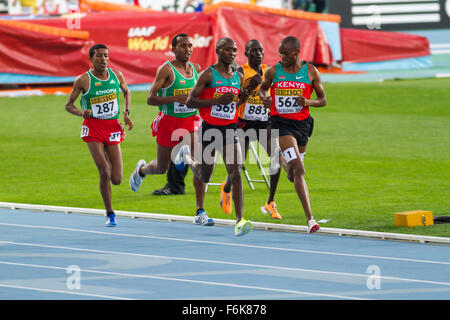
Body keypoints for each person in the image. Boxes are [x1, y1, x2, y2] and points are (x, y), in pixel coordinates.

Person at [128, 33, 213, 226]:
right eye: (183, 46)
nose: (188, 49)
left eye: (190, 46)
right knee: (161, 168)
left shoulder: (196, 69)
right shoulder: (166, 70)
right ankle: (141, 170)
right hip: (168, 121)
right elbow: (150, 98)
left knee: (199, 164)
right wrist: (174, 99)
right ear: (174, 49)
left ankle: (200, 211)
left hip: (190, 121)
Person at [182, 37, 253, 236]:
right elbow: (190, 102)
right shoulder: (208, 75)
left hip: (229, 129)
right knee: (205, 175)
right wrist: (216, 101)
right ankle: (187, 157)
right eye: (228, 50)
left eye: (235, 50)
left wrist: (244, 95)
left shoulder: (237, 76)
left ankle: (240, 220)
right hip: (210, 129)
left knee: (235, 171)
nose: (232, 53)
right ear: (219, 51)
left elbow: (235, 102)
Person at [259, 36, 326, 233]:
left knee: (293, 173)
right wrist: (265, 99)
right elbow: (263, 89)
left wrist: (307, 102)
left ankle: (281, 159)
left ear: (296, 52)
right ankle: (310, 219)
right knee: (299, 168)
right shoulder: (273, 71)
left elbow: (322, 100)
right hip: (281, 124)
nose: (282, 57)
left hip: (303, 125)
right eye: (280, 53)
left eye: (285, 53)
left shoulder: (311, 71)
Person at [65, 44, 133, 227]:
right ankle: (110, 213)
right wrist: (81, 113)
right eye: (99, 56)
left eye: (106, 56)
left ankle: (109, 167)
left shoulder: (116, 76)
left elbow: (126, 91)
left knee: (117, 179)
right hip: (93, 128)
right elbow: (68, 105)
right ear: (91, 59)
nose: (103, 59)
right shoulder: (83, 80)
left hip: (111, 126)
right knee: (104, 170)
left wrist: (126, 112)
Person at [219, 39, 283, 220]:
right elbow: (235, 100)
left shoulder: (269, 71)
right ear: (246, 54)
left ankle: (270, 202)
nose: (258, 53)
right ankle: (226, 190)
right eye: (253, 51)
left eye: (260, 50)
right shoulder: (240, 72)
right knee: (238, 165)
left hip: (264, 123)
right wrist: (250, 86)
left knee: (276, 158)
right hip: (243, 123)